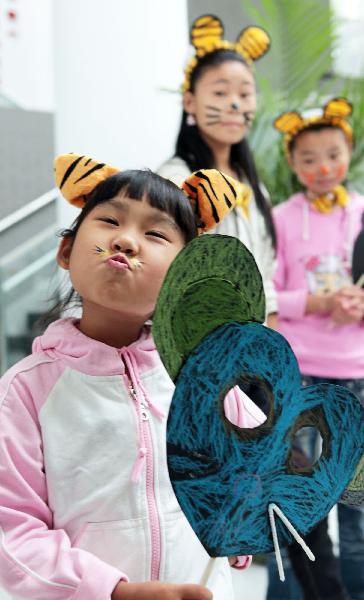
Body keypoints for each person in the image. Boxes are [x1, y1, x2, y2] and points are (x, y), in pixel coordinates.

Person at [0, 154, 267, 600]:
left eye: (156, 233)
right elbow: (13, 532)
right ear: (66, 251)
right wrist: (115, 592)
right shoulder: (25, 392)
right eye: (109, 221)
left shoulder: (202, 378)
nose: (125, 241)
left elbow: (256, 462)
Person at [268, 98, 364, 600]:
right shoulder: (281, 218)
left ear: (349, 153)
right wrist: (317, 300)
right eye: (308, 158)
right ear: (292, 163)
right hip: (299, 374)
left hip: (358, 374)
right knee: (298, 494)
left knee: (358, 501)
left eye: (333, 154)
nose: (323, 167)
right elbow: (266, 290)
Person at [158, 14, 277, 326]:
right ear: (189, 101)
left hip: (252, 345)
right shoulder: (176, 180)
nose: (235, 105)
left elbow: (266, 276)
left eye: (245, 93)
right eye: (220, 93)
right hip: (199, 343)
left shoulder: (254, 187)